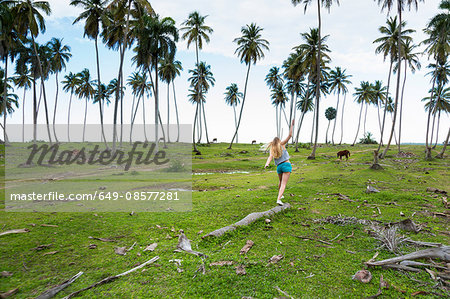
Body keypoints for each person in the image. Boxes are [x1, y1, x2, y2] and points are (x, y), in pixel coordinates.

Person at [264, 120, 294, 205]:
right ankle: (279, 199)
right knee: (284, 184)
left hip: (279, 167)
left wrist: (267, 164)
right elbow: (290, 135)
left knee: (280, 182)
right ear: (279, 141)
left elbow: (270, 157)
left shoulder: (273, 149)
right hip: (286, 165)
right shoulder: (282, 144)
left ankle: (281, 195)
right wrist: (292, 125)